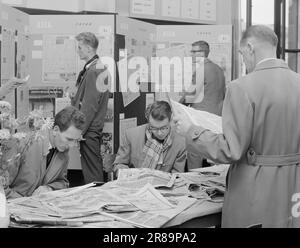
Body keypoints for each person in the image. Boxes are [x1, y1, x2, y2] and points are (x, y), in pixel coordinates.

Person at [174, 24, 300, 228]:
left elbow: (231, 150)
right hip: (294, 187)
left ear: (250, 47)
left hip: (257, 188)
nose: (244, 61)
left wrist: (191, 132)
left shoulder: (242, 87)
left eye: (242, 54)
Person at [6, 106, 85, 199]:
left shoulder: (63, 151)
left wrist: (49, 188)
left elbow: (62, 183)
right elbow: (2, 187)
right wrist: (24, 202)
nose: (72, 145)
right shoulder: (23, 143)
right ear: (55, 130)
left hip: (40, 208)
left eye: (76, 140)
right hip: (14, 207)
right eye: (69, 139)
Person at [179, 41, 225, 169]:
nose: (191, 54)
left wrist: (176, 106)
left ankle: (194, 180)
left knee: (195, 153)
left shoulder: (201, 70)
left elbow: (191, 96)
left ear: (203, 53)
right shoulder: (219, 70)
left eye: (194, 51)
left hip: (200, 117)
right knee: (213, 155)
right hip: (216, 117)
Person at [71, 32, 109, 184]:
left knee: (92, 171)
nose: (77, 50)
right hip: (93, 127)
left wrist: (79, 130)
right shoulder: (98, 67)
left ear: (88, 48)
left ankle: (96, 201)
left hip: (89, 129)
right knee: (93, 167)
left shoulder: (94, 70)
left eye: (79, 47)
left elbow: (90, 106)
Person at [113, 101, 187, 175]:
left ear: (170, 120)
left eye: (164, 128)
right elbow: (118, 165)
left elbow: (178, 176)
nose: (159, 133)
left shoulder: (180, 143)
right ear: (148, 121)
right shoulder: (131, 135)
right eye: (154, 128)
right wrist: (128, 173)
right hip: (136, 184)